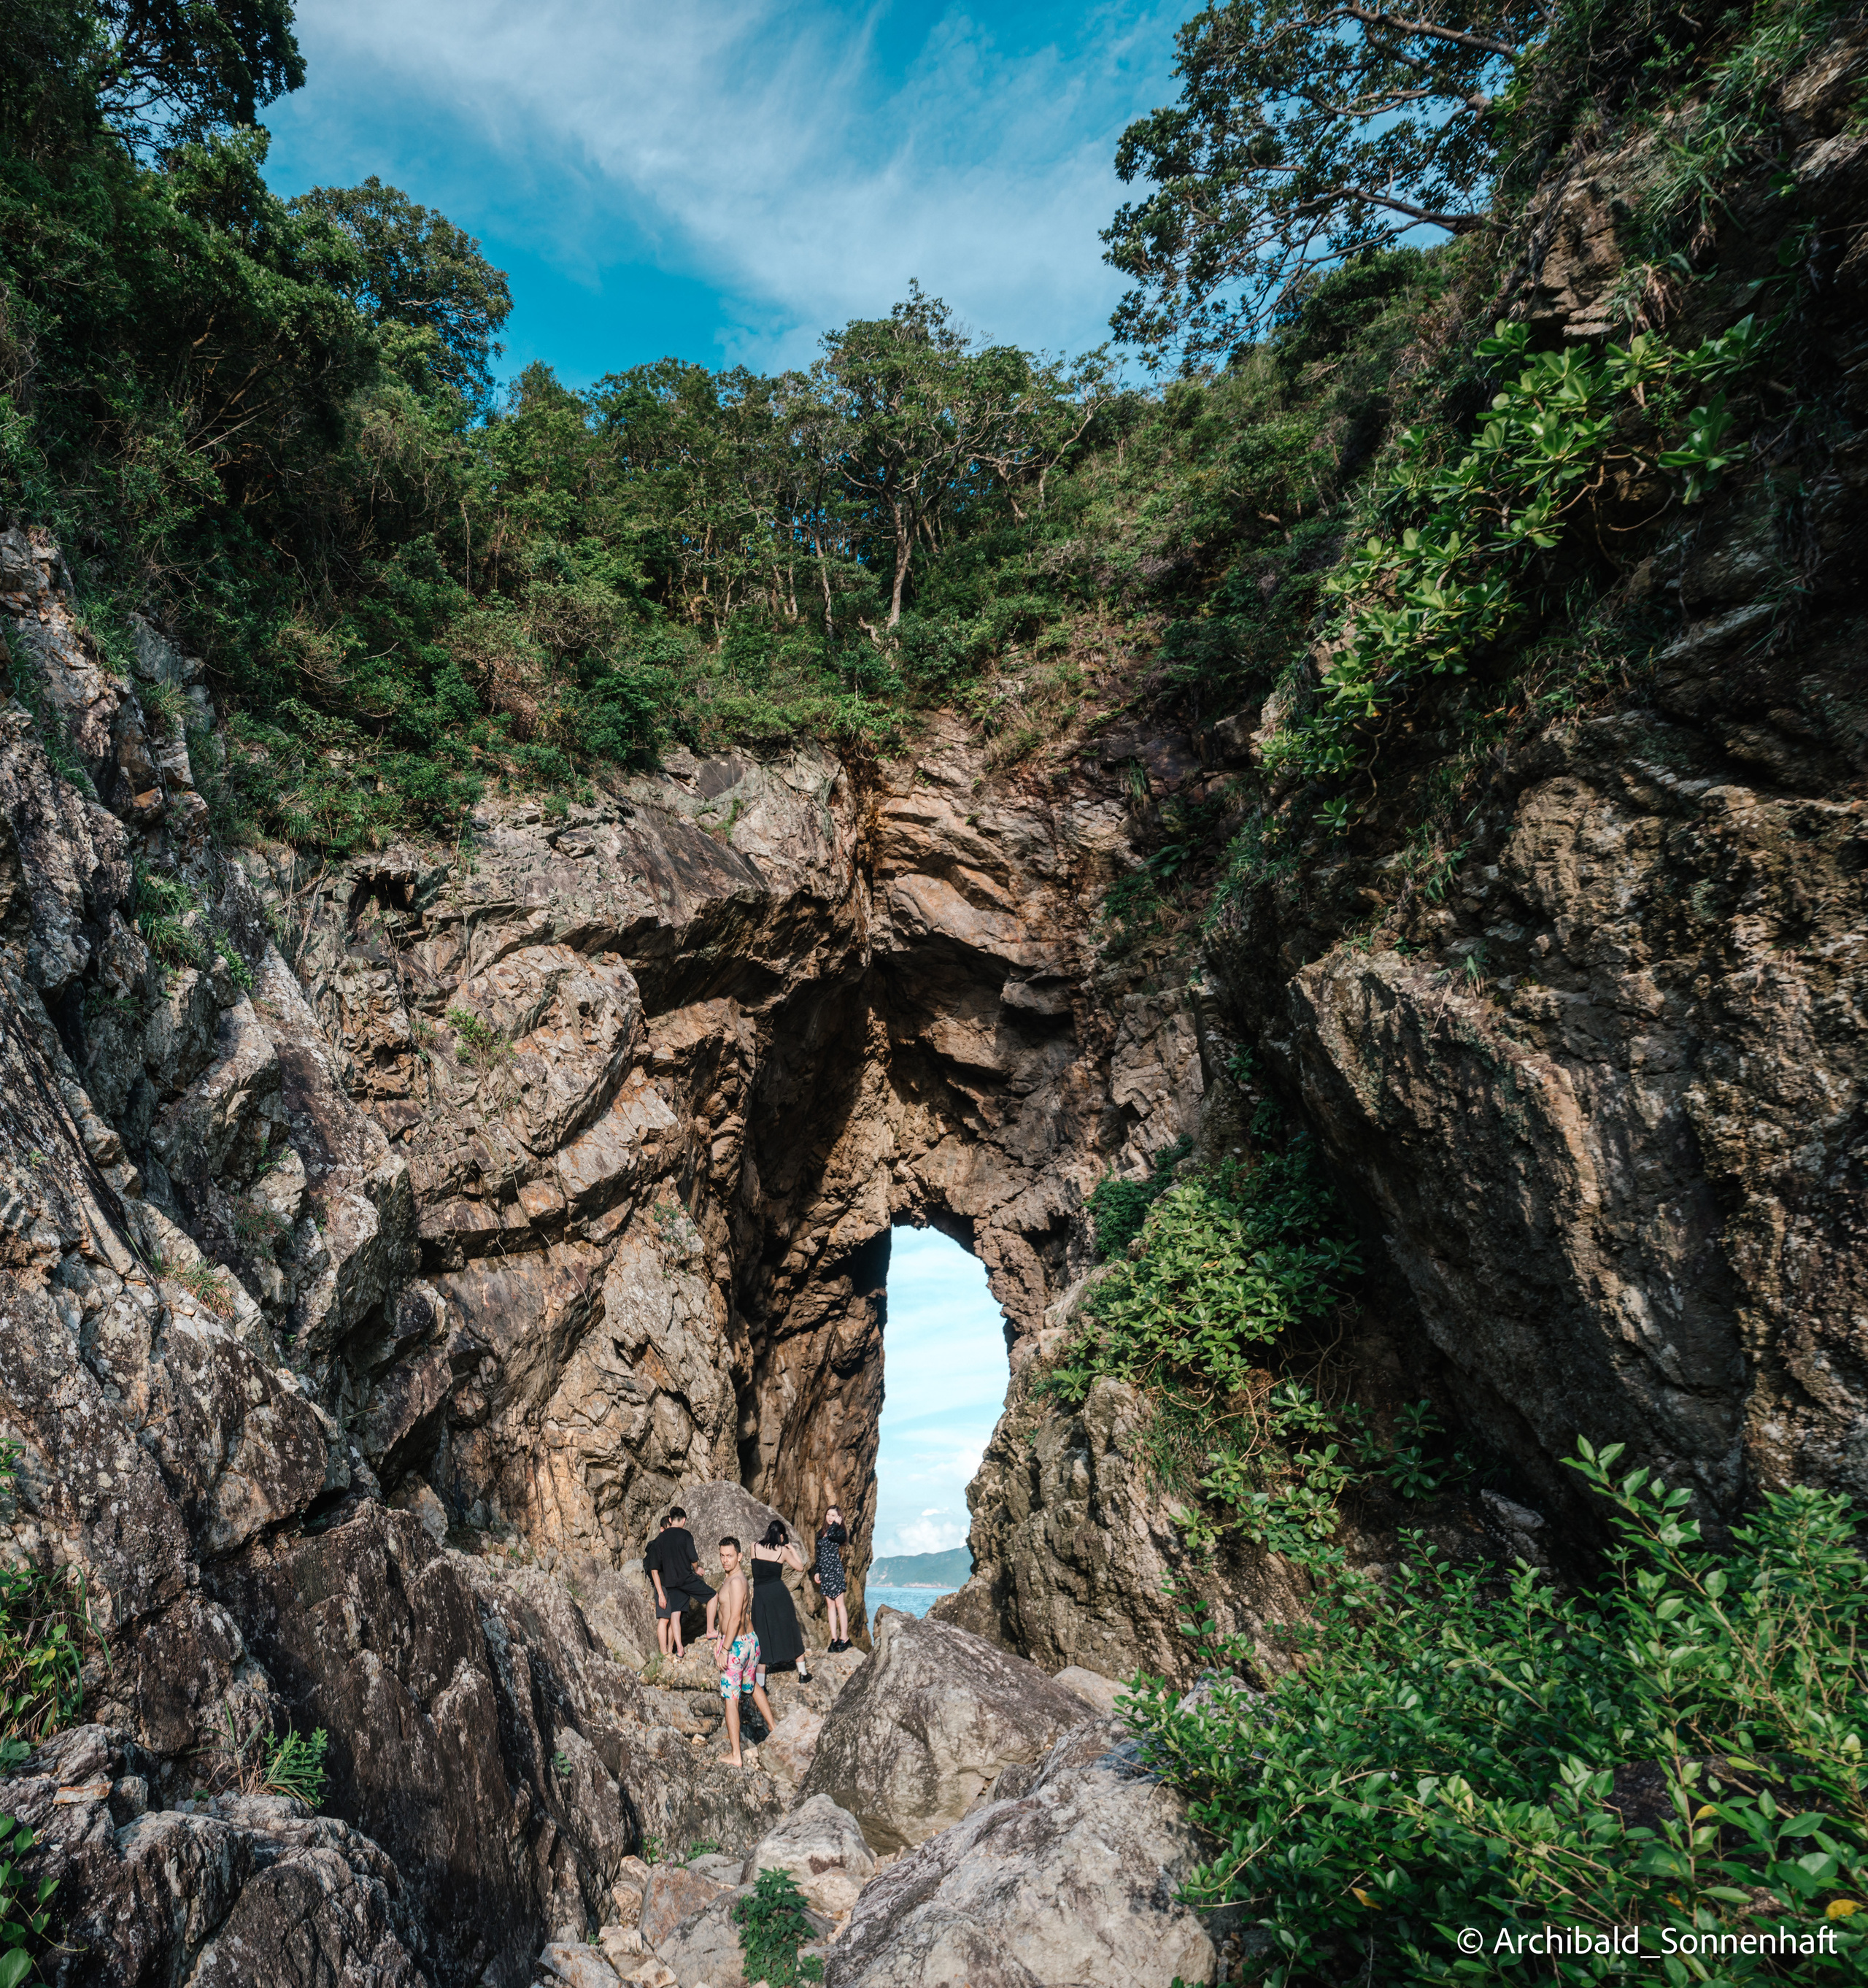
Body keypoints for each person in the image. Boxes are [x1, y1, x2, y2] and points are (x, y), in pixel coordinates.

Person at [711, 1536, 776, 1768]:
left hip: (737, 1646)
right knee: (751, 1685)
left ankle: (736, 1755)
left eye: (730, 1556)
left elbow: (736, 1616)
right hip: (750, 1642)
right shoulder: (735, 1578)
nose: (725, 1560)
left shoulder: (737, 1582)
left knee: (731, 1699)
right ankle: (773, 1727)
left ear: (740, 1556)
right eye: (722, 1555)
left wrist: (724, 1649)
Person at [645, 1508, 716, 1658]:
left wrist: (660, 1592)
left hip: (670, 1583)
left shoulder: (660, 1539)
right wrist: (697, 1569)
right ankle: (710, 1630)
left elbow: (654, 1569)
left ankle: (680, 1649)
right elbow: (693, 1558)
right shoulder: (686, 1535)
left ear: (670, 1520)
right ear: (684, 1520)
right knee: (713, 1596)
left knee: (675, 1616)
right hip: (685, 1579)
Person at [748, 1519, 812, 1684]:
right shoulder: (782, 1551)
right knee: (790, 1629)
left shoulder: (753, 1547)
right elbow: (800, 1566)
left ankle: (761, 1684)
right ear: (782, 1536)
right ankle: (803, 1674)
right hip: (778, 1594)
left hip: (760, 1595)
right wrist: (790, 1548)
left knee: (761, 1635)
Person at [813, 1504, 852, 1652]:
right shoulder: (820, 1533)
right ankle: (834, 1638)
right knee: (830, 1606)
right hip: (825, 1572)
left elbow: (833, 1536)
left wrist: (836, 1525)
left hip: (835, 1571)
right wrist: (818, 1572)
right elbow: (819, 1555)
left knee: (840, 1605)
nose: (830, 1517)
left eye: (833, 1515)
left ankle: (845, 1638)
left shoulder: (839, 1533)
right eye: (828, 1515)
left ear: (839, 1518)